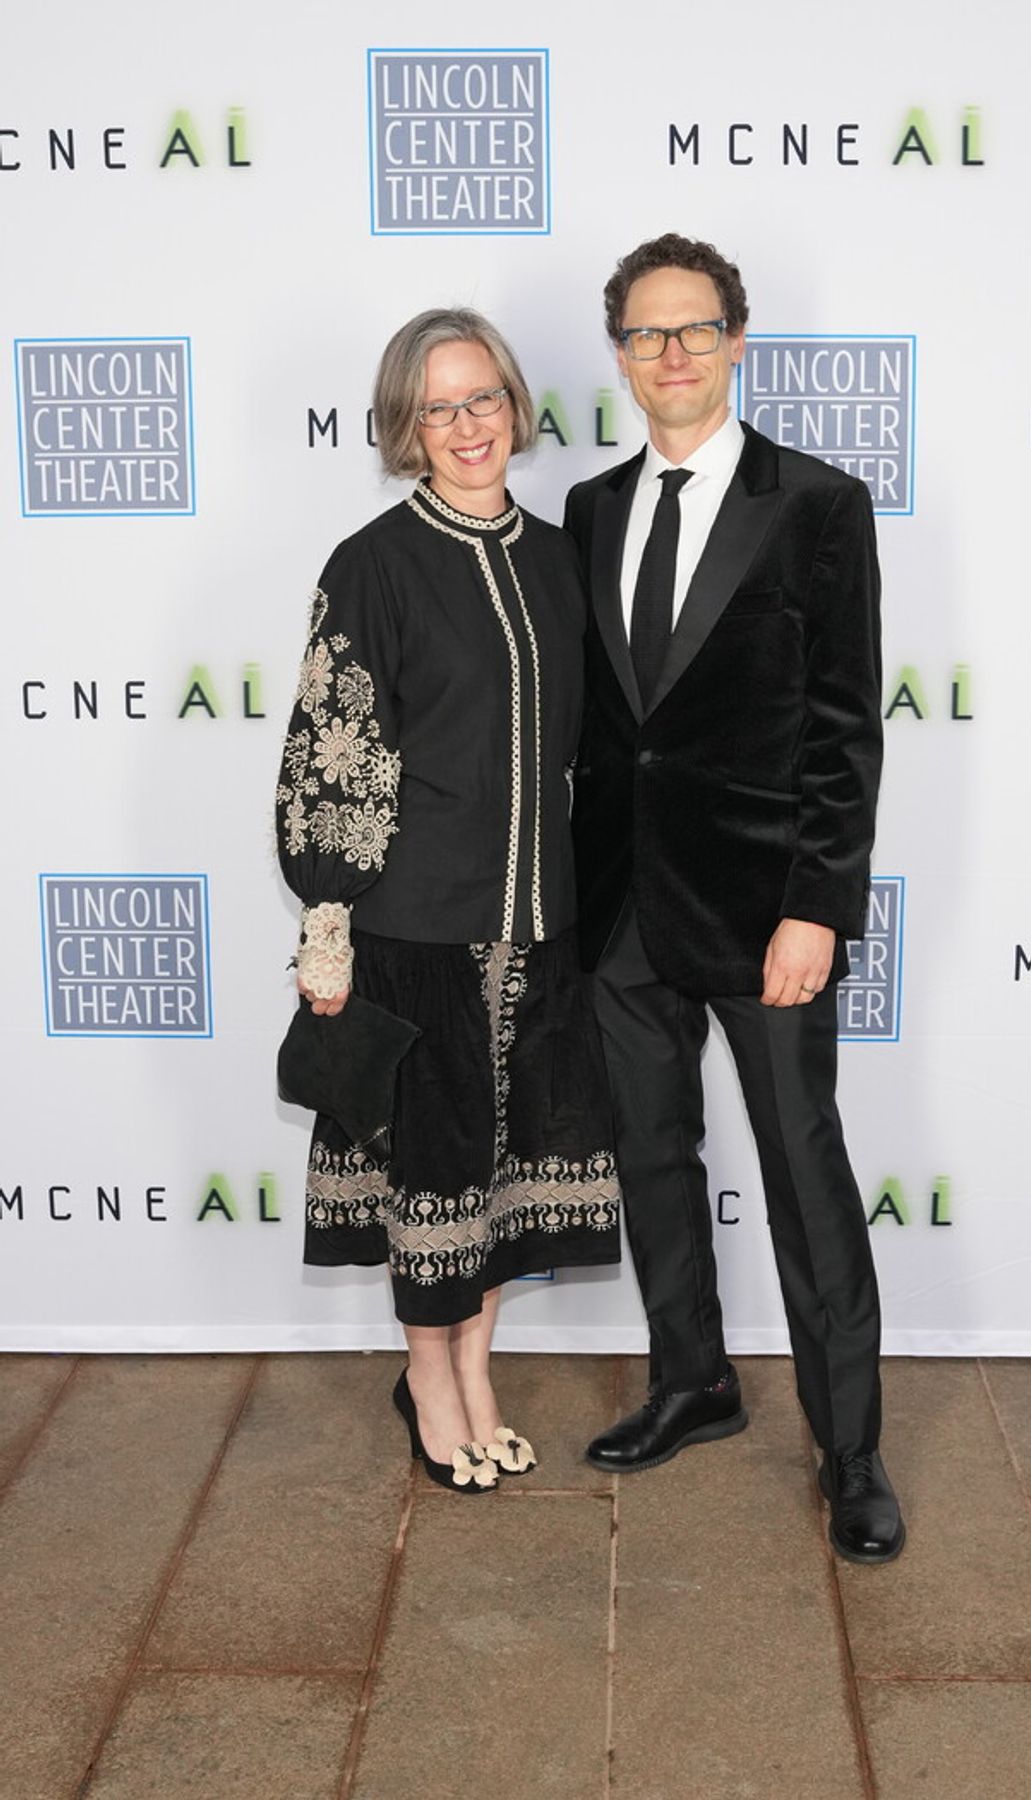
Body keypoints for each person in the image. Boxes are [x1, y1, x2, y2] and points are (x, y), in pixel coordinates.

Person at [564, 234, 903, 1563]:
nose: (673, 355)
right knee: (653, 1158)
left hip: (768, 916)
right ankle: (693, 1378)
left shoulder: (818, 504)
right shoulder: (590, 509)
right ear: (621, 356)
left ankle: (854, 1452)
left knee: (805, 1176)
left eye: (695, 329)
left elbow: (844, 726)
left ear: (737, 339)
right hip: (622, 912)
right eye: (647, 335)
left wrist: (818, 906)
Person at [276, 308, 620, 1494]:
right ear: (403, 426)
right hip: (416, 926)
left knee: (502, 1177)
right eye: (439, 407)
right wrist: (328, 917)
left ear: (515, 409)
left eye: (483, 400)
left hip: (543, 922)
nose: (467, 426)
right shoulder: (372, 565)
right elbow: (335, 747)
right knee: (432, 1169)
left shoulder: (556, 556)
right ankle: (432, 1380)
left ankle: (479, 1371)